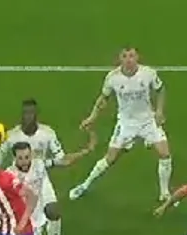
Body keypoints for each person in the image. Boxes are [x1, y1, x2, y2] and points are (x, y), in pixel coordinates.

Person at [0, 99, 94, 235]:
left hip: (40, 177)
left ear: (36, 115)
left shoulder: (47, 133)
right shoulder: (11, 136)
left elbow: (62, 159)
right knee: (19, 220)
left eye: (31, 113)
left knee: (53, 211)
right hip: (18, 180)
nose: (28, 117)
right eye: (25, 113)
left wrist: (85, 151)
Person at [70, 47, 173, 202]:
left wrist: (159, 111)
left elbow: (160, 90)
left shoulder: (148, 73)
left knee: (164, 153)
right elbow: (103, 98)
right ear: (120, 59)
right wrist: (92, 117)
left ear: (137, 57)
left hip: (148, 121)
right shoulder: (113, 77)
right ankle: (84, 185)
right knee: (110, 158)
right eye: (125, 56)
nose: (128, 59)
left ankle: (164, 193)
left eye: (131, 56)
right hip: (126, 123)